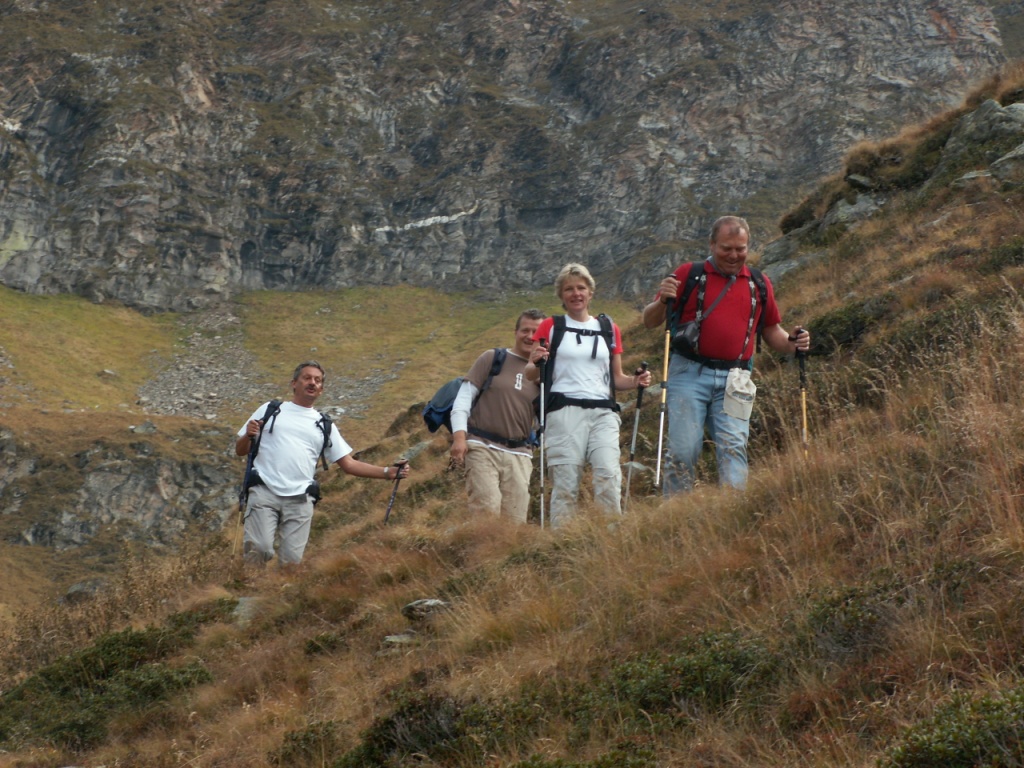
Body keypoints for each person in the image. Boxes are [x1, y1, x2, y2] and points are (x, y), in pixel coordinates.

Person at [642, 215, 811, 494]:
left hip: (736, 378)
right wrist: (662, 299)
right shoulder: (688, 274)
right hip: (688, 373)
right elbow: (650, 321)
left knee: (734, 448)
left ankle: (733, 516)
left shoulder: (759, 282)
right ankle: (675, 517)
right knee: (684, 449)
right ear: (712, 244)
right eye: (726, 248)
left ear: (748, 246)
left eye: (740, 248)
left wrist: (793, 343)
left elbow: (772, 332)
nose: (734, 255)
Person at [235, 360, 410, 566]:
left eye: (317, 380)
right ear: (294, 383)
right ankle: (249, 591)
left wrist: (388, 472)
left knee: (291, 563)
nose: (312, 383)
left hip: (301, 499)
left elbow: (349, 464)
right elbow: (240, 450)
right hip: (264, 491)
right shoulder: (270, 410)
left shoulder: (323, 423)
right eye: (307, 378)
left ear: (321, 389)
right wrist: (248, 435)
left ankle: (278, 596)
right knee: (260, 549)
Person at [528, 264, 653, 528]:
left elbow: (617, 378)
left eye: (581, 288)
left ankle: (611, 538)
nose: (576, 293)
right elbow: (532, 373)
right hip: (563, 412)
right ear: (561, 296)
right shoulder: (551, 327)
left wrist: (637, 381)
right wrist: (536, 360)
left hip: (604, 412)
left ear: (591, 292)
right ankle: (562, 542)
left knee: (608, 473)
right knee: (565, 480)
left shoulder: (608, 328)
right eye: (569, 289)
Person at [449, 309, 546, 524]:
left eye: (536, 332)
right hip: (482, 447)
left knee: (515, 521)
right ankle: (480, 556)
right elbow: (463, 400)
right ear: (515, 332)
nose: (530, 336)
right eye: (525, 330)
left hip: (520, 455)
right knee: (486, 511)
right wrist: (459, 438)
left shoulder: (545, 372)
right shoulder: (493, 358)